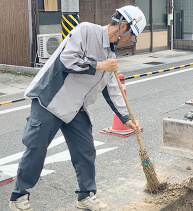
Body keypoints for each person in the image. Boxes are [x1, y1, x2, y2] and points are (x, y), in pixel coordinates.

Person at [9, 5, 146, 211]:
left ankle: (85, 196)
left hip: (75, 107)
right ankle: (19, 196)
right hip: (51, 99)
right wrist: (99, 65)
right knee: (36, 148)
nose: (131, 41)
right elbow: (67, 60)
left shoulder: (111, 56)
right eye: (132, 36)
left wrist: (127, 118)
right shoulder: (86, 31)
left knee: (85, 150)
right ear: (123, 27)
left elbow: (112, 90)